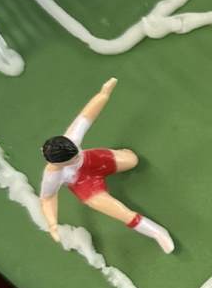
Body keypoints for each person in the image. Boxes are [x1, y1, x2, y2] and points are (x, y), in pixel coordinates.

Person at [38, 78, 174, 252]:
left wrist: (104, 93)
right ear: (59, 163)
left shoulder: (71, 140)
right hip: (84, 186)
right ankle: (156, 232)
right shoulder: (52, 175)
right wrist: (52, 223)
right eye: (72, 159)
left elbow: (87, 115)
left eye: (76, 153)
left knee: (132, 160)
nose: (76, 157)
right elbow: (47, 198)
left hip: (93, 160)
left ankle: (120, 154)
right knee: (120, 211)